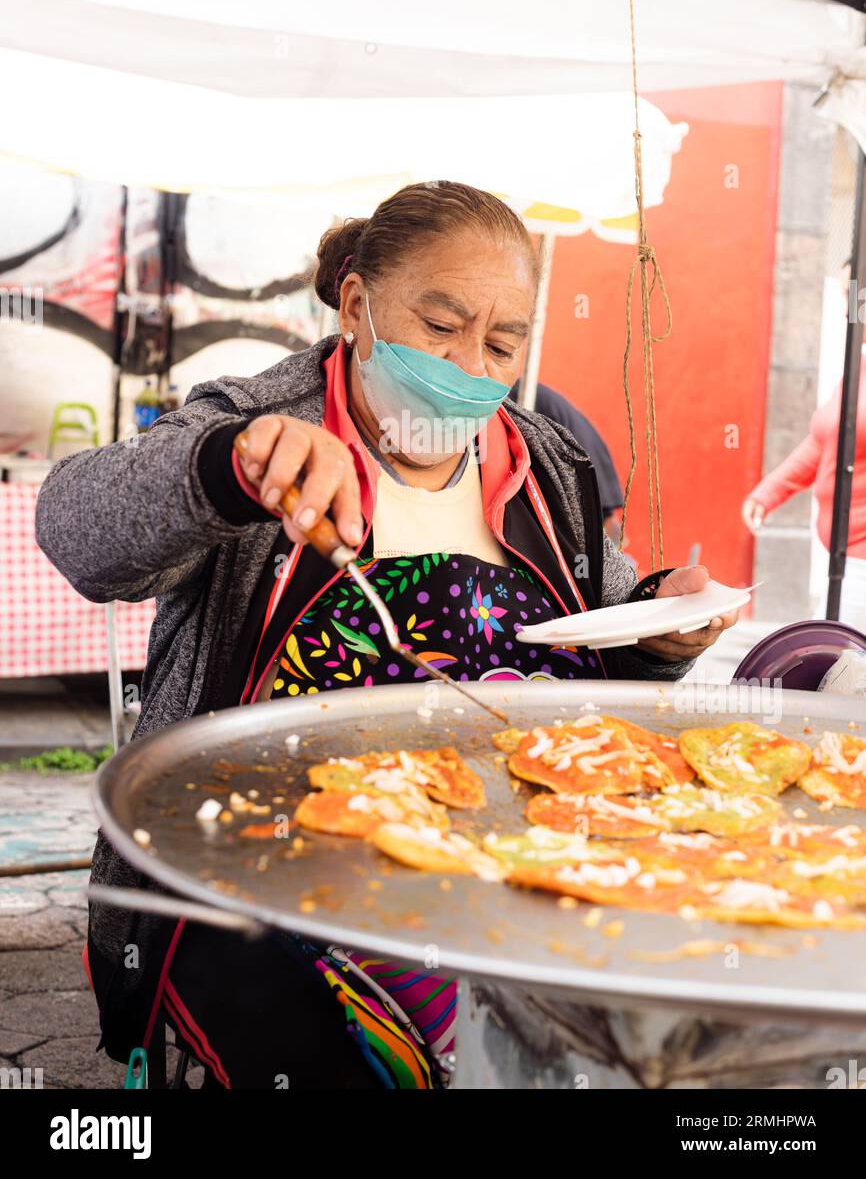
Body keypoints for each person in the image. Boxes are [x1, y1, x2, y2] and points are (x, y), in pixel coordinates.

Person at [37, 180, 739, 1089]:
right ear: (358, 303)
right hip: (275, 865)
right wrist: (226, 468)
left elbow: (597, 629)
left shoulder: (542, 462)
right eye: (441, 325)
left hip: (518, 847)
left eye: (502, 340)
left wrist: (661, 629)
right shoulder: (262, 422)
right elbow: (75, 528)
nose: (471, 367)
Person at [743, 346, 866, 634]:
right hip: (845, 555)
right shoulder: (859, 359)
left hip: (861, 558)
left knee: (831, 658)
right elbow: (826, 437)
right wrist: (770, 491)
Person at [508, 379, 624, 539]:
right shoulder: (524, 392)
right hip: (586, 469)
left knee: (598, 545)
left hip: (580, 473)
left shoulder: (517, 396)